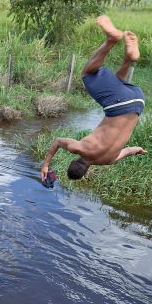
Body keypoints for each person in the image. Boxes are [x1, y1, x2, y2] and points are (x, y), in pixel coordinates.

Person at [40, 15, 146, 184]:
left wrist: (139, 150)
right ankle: (112, 40)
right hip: (119, 104)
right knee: (87, 74)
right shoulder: (79, 148)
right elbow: (58, 142)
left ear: (87, 171)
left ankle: (128, 59)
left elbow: (130, 151)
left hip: (138, 102)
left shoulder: (109, 160)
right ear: (73, 160)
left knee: (117, 83)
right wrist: (46, 164)